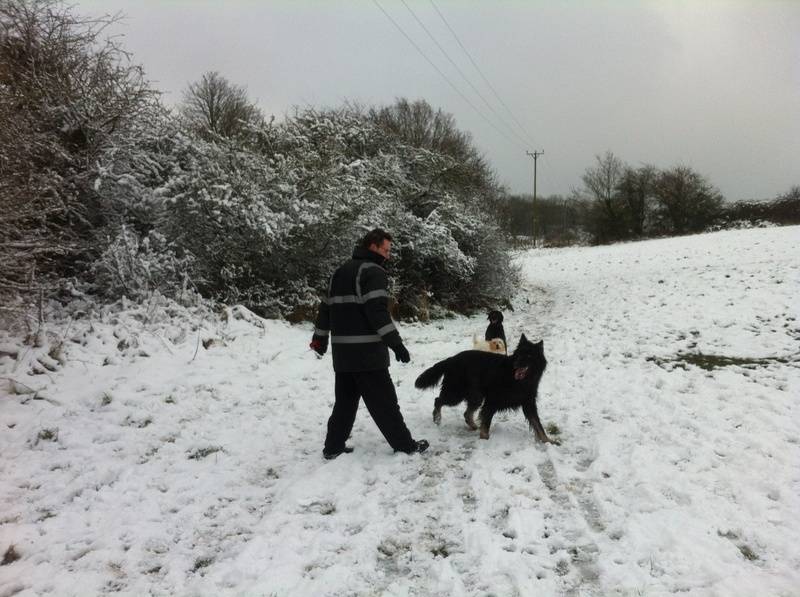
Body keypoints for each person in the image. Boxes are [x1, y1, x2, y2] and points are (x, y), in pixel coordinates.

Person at [310, 228, 429, 460]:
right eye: (386, 250)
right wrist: (396, 345)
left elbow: (325, 309)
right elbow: (377, 312)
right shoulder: (373, 272)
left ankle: (333, 447)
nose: (388, 256)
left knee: (345, 403)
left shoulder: (339, 272)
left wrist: (319, 339)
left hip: (343, 354)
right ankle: (405, 446)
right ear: (373, 246)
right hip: (367, 354)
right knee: (385, 402)